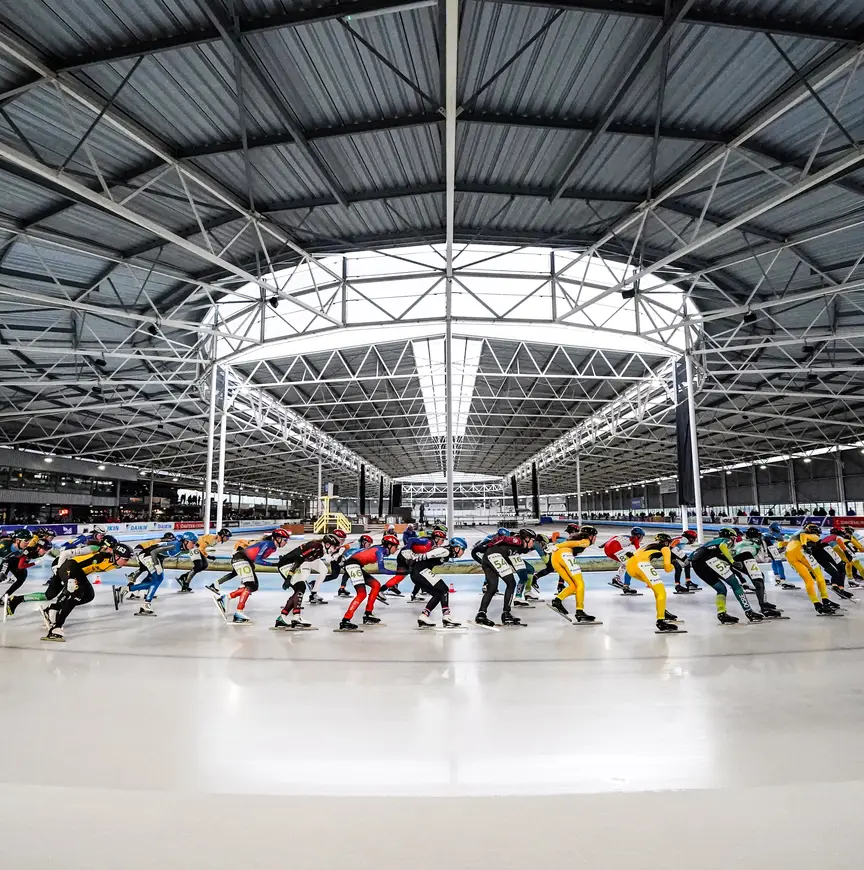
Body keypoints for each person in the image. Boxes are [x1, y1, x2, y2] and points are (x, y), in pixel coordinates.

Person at [41, 542, 133, 642]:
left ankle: (54, 608)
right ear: (117, 556)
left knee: (89, 596)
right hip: (70, 567)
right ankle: (56, 628)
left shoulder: (115, 564)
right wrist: (70, 578)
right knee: (77, 593)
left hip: (80, 573)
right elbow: (73, 563)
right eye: (125, 559)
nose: (126, 562)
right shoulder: (100, 557)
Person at [207, 528, 291, 624]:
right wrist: (274, 564)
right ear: (278, 539)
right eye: (285, 540)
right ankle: (238, 612)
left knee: (254, 586)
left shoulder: (272, 547)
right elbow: (258, 560)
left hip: (245, 560)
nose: (286, 543)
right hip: (241, 559)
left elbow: (254, 557)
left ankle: (227, 597)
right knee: (250, 585)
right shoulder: (268, 544)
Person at [688, 527, 761, 624]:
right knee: (735, 585)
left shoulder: (711, 543)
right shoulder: (725, 540)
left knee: (721, 589)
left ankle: (721, 613)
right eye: (734, 538)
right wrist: (733, 561)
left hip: (696, 565)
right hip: (708, 560)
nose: (734, 540)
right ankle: (749, 612)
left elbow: (693, 556)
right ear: (730, 536)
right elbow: (723, 546)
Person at [274, 534, 344, 630]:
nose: (334, 550)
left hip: (292, 564)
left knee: (299, 589)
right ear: (327, 545)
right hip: (287, 564)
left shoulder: (320, 550)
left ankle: (282, 617)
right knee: (301, 586)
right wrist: (289, 577)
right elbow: (298, 559)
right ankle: (296, 616)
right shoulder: (316, 547)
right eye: (334, 547)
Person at [474, 528, 537, 628]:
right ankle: (506, 614)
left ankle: (481, 614)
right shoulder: (518, 541)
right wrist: (487, 545)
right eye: (533, 541)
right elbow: (503, 538)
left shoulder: (521, 547)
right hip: (494, 556)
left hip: (487, 558)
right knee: (511, 583)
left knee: (492, 588)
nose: (533, 543)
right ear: (527, 538)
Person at [336, 534, 399, 631]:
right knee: (361, 594)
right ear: (389, 545)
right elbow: (382, 569)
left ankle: (368, 614)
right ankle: (345, 620)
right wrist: (398, 572)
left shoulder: (380, 549)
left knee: (376, 585)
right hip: (352, 564)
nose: (397, 549)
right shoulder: (380, 551)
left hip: (355, 565)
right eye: (396, 547)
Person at [623, 533, 681, 632]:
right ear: (666, 542)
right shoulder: (665, 548)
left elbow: (629, 554)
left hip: (630, 567)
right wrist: (673, 565)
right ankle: (661, 621)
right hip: (642, 565)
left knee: (656, 588)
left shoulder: (647, 545)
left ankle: (662, 610)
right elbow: (667, 568)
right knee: (661, 591)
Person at [782, 524, 840, 616]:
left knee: (808, 580)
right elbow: (803, 536)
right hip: (802, 552)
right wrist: (805, 545)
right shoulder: (811, 535)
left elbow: (783, 543)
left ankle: (816, 604)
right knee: (819, 576)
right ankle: (825, 600)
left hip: (789, 555)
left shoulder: (795, 534)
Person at [412, 536, 467, 630]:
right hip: (420, 571)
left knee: (438, 594)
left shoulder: (447, 552)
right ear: (456, 547)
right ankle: (447, 616)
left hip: (418, 572)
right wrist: (413, 561)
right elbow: (427, 555)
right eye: (463, 549)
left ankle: (424, 616)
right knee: (444, 589)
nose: (463, 552)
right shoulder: (445, 551)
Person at [548, 525, 599, 624]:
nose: (596, 539)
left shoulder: (580, 539)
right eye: (595, 536)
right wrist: (557, 546)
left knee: (573, 586)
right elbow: (575, 543)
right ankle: (579, 611)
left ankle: (557, 601)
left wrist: (557, 548)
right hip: (563, 554)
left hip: (555, 557)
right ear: (590, 536)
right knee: (580, 584)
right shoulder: (586, 541)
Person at [731, 528, 783, 618]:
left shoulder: (742, 542)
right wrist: (780, 550)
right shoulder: (762, 539)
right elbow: (770, 556)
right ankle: (764, 607)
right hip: (746, 557)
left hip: (732, 560)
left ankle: (763, 602)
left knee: (760, 576)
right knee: (758, 579)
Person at [2, 535, 53, 613]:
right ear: (39, 547)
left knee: (21, 578)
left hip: (16, 563)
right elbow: (21, 566)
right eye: (44, 549)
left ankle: (4, 597)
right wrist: (34, 563)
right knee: (1, 577)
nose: (45, 552)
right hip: (8, 562)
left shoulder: (37, 551)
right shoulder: (28, 550)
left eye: (47, 550)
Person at [604, 527, 645, 594]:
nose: (641, 539)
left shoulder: (622, 536)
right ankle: (626, 586)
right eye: (642, 537)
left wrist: (602, 545)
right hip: (614, 547)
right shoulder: (635, 538)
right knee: (630, 564)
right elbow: (638, 550)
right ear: (639, 535)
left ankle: (617, 578)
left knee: (625, 563)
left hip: (607, 548)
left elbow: (611, 539)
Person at [762, 523, 797, 589]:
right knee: (779, 564)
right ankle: (783, 579)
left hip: (769, 550)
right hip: (772, 549)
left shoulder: (768, 534)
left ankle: (777, 577)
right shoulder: (777, 535)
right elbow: (781, 545)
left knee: (774, 562)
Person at [670, 530, 700, 594]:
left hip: (669, 553)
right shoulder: (684, 539)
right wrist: (671, 547)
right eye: (693, 538)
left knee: (678, 568)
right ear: (690, 537)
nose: (693, 540)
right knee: (687, 563)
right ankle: (688, 582)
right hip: (672, 551)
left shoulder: (680, 537)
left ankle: (677, 585)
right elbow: (676, 541)